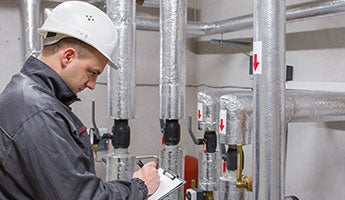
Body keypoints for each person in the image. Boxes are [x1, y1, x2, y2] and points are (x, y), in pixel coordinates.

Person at [0, 1, 159, 199]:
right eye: (92, 72)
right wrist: (140, 187)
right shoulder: (39, 111)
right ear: (68, 57)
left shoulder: (26, 94)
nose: (92, 84)